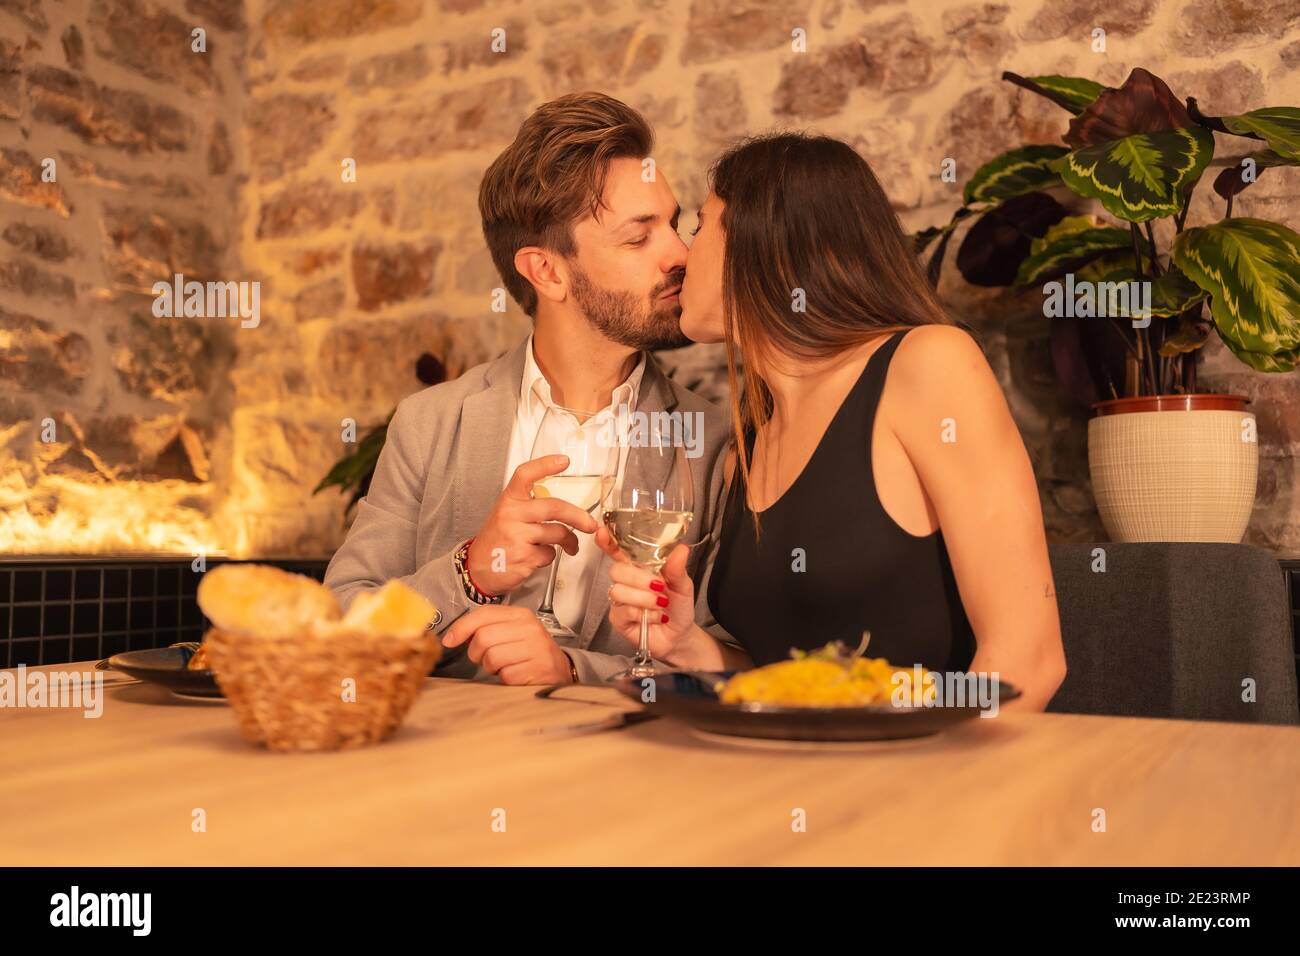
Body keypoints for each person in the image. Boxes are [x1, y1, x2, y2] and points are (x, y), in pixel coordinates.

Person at [597, 133, 1067, 710]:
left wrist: (936, 797)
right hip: (792, 782)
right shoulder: (748, 439)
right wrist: (689, 646)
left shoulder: (927, 365)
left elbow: (1028, 658)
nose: (680, 256)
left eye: (698, 227)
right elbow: (794, 681)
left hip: (927, 779)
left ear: (764, 240)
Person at [325, 92, 729, 684]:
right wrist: (471, 573)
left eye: (673, 223)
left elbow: (725, 659)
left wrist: (572, 669)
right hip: (439, 759)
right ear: (546, 271)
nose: (681, 254)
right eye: (639, 237)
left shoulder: (713, 441)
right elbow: (342, 620)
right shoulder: (429, 421)